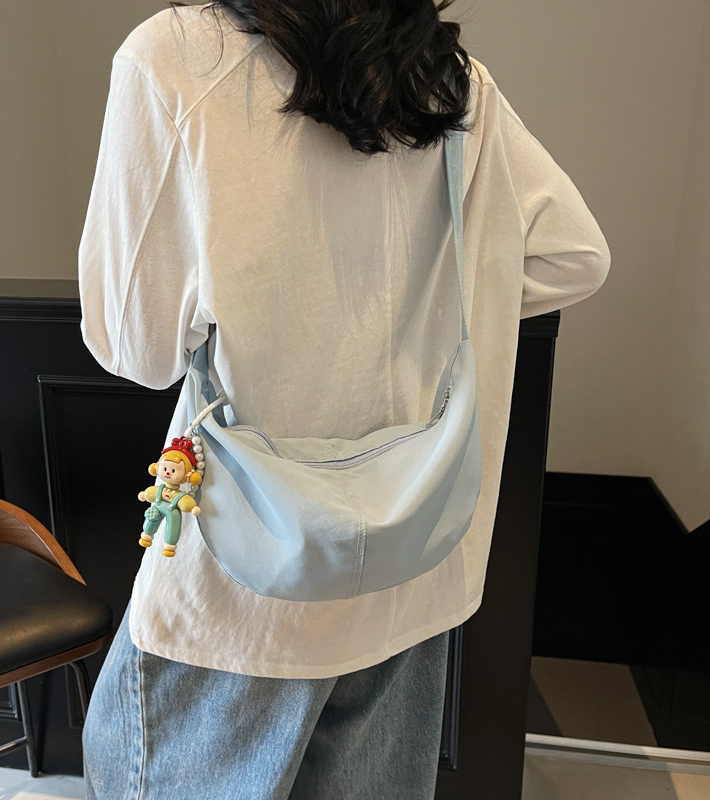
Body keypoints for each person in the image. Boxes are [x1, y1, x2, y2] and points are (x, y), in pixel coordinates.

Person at [78, 1, 610, 798]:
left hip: (246, 583)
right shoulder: (448, 79)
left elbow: (136, 350)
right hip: (412, 558)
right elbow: (576, 256)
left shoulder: (177, 56)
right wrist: (444, 303)